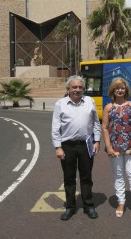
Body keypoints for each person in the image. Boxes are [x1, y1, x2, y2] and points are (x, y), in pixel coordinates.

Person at [51, 75, 101, 221]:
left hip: (87, 144)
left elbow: (96, 123)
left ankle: (88, 205)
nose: (77, 90)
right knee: (69, 177)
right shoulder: (60, 104)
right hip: (67, 146)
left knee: (86, 177)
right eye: (74, 87)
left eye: (80, 87)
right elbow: (55, 127)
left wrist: (97, 141)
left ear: (84, 89)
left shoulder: (89, 101)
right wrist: (58, 147)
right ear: (68, 89)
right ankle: (70, 207)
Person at [102, 77, 131, 223]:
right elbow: (105, 128)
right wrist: (108, 147)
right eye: (117, 88)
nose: (120, 90)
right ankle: (121, 203)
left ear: (126, 90)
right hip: (114, 149)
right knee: (118, 176)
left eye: (122, 88)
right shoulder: (108, 107)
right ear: (113, 90)